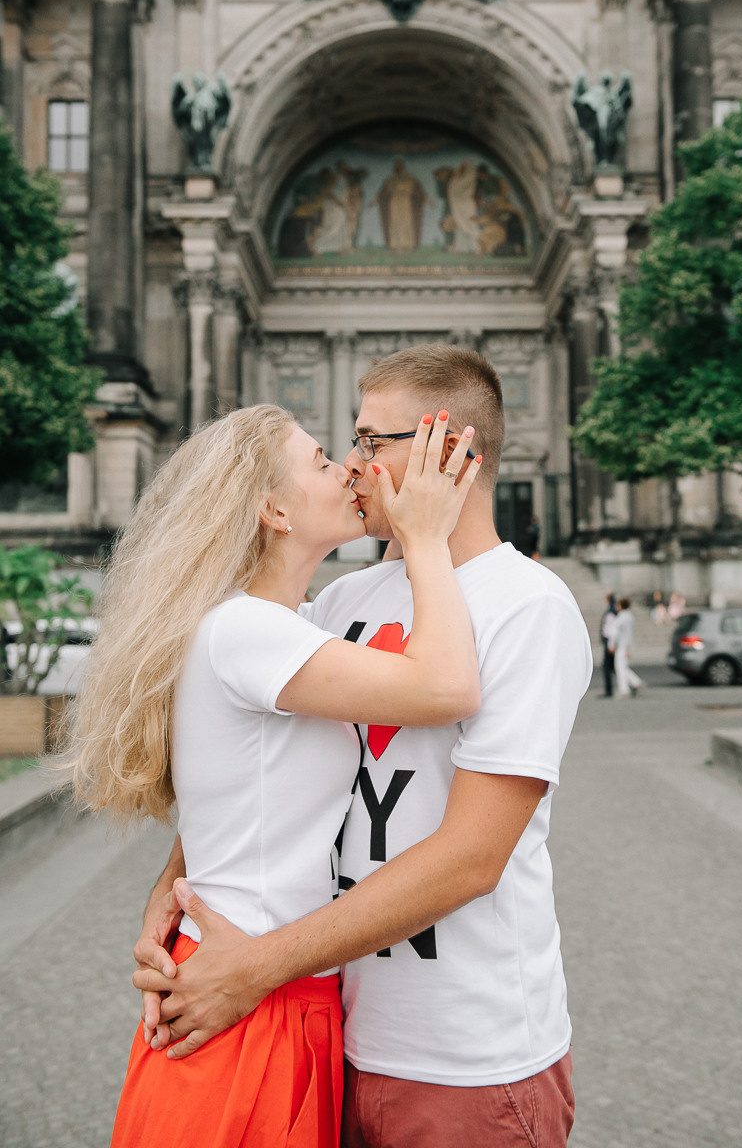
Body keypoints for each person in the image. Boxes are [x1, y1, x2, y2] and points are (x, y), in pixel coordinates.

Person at [133, 344, 592, 1148]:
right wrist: (176, 896)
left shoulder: (529, 606)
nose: (352, 463)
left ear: (449, 450)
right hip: (336, 1031)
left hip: (467, 1052)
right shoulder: (341, 598)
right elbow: (258, 766)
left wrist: (254, 966)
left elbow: (471, 859)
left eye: (372, 441)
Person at [62, 403, 484, 1148]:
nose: (349, 467)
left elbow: (239, 787)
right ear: (274, 510)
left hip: (270, 982)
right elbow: (448, 687)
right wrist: (424, 538)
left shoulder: (278, 625)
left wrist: (175, 878)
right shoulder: (248, 630)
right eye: (322, 460)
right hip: (247, 995)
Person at [612, 596, 643, 698]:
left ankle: (624, 689)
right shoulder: (629, 616)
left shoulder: (622, 617)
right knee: (623, 667)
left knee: (620, 667)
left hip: (622, 645)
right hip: (627, 645)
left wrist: (612, 644)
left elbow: (615, 632)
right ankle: (635, 682)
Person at [599, 592, 617, 698]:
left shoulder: (611, 612)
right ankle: (633, 683)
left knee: (607, 667)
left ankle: (609, 690)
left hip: (609, 642)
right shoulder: (612, 610)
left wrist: (611, 644)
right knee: (613, 667)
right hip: (609, 641)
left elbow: (611, 630)